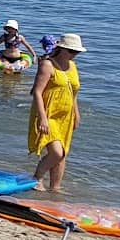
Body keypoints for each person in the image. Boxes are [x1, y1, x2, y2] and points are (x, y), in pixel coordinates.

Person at [29, 33, 84, 192]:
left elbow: (73, 91)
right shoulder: (47, 65)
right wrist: (43, 118)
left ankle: (55, 189)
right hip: (48, 113)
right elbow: (37, 92)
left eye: (77, 52)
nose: (75, 55)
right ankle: (37, 177)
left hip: (65, 116)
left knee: (63, 154)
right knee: (56, 153)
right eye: (72, 51)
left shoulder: (72, 66)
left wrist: (76, 113)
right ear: (62, 49)